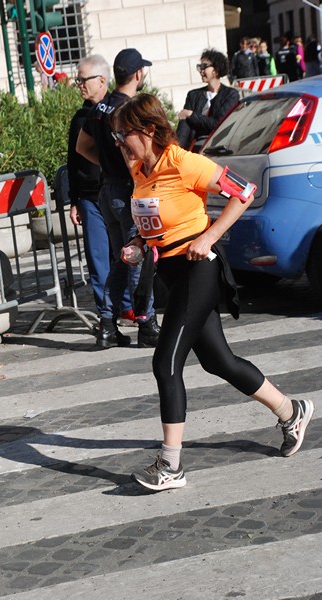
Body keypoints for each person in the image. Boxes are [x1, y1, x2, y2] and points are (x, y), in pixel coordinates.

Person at [110, 93, 314, 492]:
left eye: (123, 135)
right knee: (218, 361)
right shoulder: (140, 168)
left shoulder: (184, 162)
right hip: (171, 270)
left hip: (199, 270)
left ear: (148, 130)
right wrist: (137, 242)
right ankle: (292, 411)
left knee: (165, 360)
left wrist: (210, 236)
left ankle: (170, 466)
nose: (119, 142)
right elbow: (155, 219)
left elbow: (244, 192)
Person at [76, 48, 160, 349]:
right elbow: (133, 154)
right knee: (137, 258)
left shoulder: (100, 108)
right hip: (127, 191)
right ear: (138, 74)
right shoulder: (128, 110)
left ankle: (108, 325)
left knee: (121, 261)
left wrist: (107, 163)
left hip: (107, 190)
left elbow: (82, 147)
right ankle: (147, 323)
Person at [67, 54, 136, 326]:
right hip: (90, 197)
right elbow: (74, 159)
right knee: (99, 258)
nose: (79, 85)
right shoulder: (82, 117)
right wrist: (74, 200)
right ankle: (106, 313)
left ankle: (129, 306)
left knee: (124, 253)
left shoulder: (118, 111)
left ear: (102, 80)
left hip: (118, 191)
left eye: (83, 80)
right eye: (77, 81)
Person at [177, 48, 239, 151]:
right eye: (200, 67)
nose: (201, 70)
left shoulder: (231, 94)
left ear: (216, 69)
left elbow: (218, 124)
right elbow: (184, 128)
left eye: (204, 66)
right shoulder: (193, 95)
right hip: (196, 149)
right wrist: (177, 150)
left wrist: (191, 115)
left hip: (219, 148)